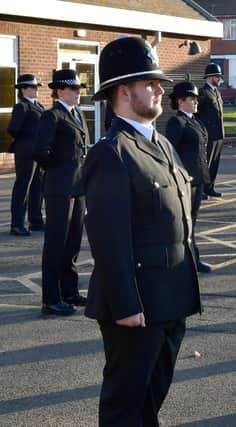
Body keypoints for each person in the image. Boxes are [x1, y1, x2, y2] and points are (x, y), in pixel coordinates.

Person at [83, 36, 201, 426]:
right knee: (124, 404)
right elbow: (109, 238)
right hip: (137, 305)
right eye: (149, 82)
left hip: (171, 297)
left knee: (150, 399)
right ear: (123, 90)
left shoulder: (162, 144)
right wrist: (126, 303)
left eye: (159, 82)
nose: (159, 88)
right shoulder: (111, 151)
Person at [34, 69, 90, 316]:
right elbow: (40, 151)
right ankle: (51, 298)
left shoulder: (77, 114)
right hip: (59, 186)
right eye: (74, 89)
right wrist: (57, 170)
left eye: (79, 89)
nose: (78, 93)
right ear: (60, 90)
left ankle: (69, 290)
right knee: (56, 243)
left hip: (78, 187)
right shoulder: (52, 116)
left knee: (73, 242)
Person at [166, 81, 213, 273]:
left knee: (192, 220)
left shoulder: (195, 120)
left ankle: (193, 258)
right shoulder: (176, 122)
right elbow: (172, 152)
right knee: (184, 221)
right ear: (180, 102)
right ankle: (185, 260)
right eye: (191, 99)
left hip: (199, 178)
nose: (195, 102)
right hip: (186, 180)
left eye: (195, 99)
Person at [8, 74, 45, 236]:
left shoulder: (39, 106)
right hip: (25, 151)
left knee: (37, 186)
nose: (36, 90)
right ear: (23, 90)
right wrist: (29, 138)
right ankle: (17, 224)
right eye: (32, 87)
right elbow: (13, 129)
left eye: (36, 87)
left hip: (38, 151)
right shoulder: (21, 106)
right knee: (23, 186)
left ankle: (35, 221)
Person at [197, 63, 225, 198]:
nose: (219, 79)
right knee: (205, 163)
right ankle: (201, 189)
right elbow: (197, 115)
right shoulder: (203, 93)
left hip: (218, 134)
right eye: (217, 76)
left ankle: (210, 187)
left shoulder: (216, 92)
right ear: (209, 77)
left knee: (214, 163)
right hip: (208, 134)